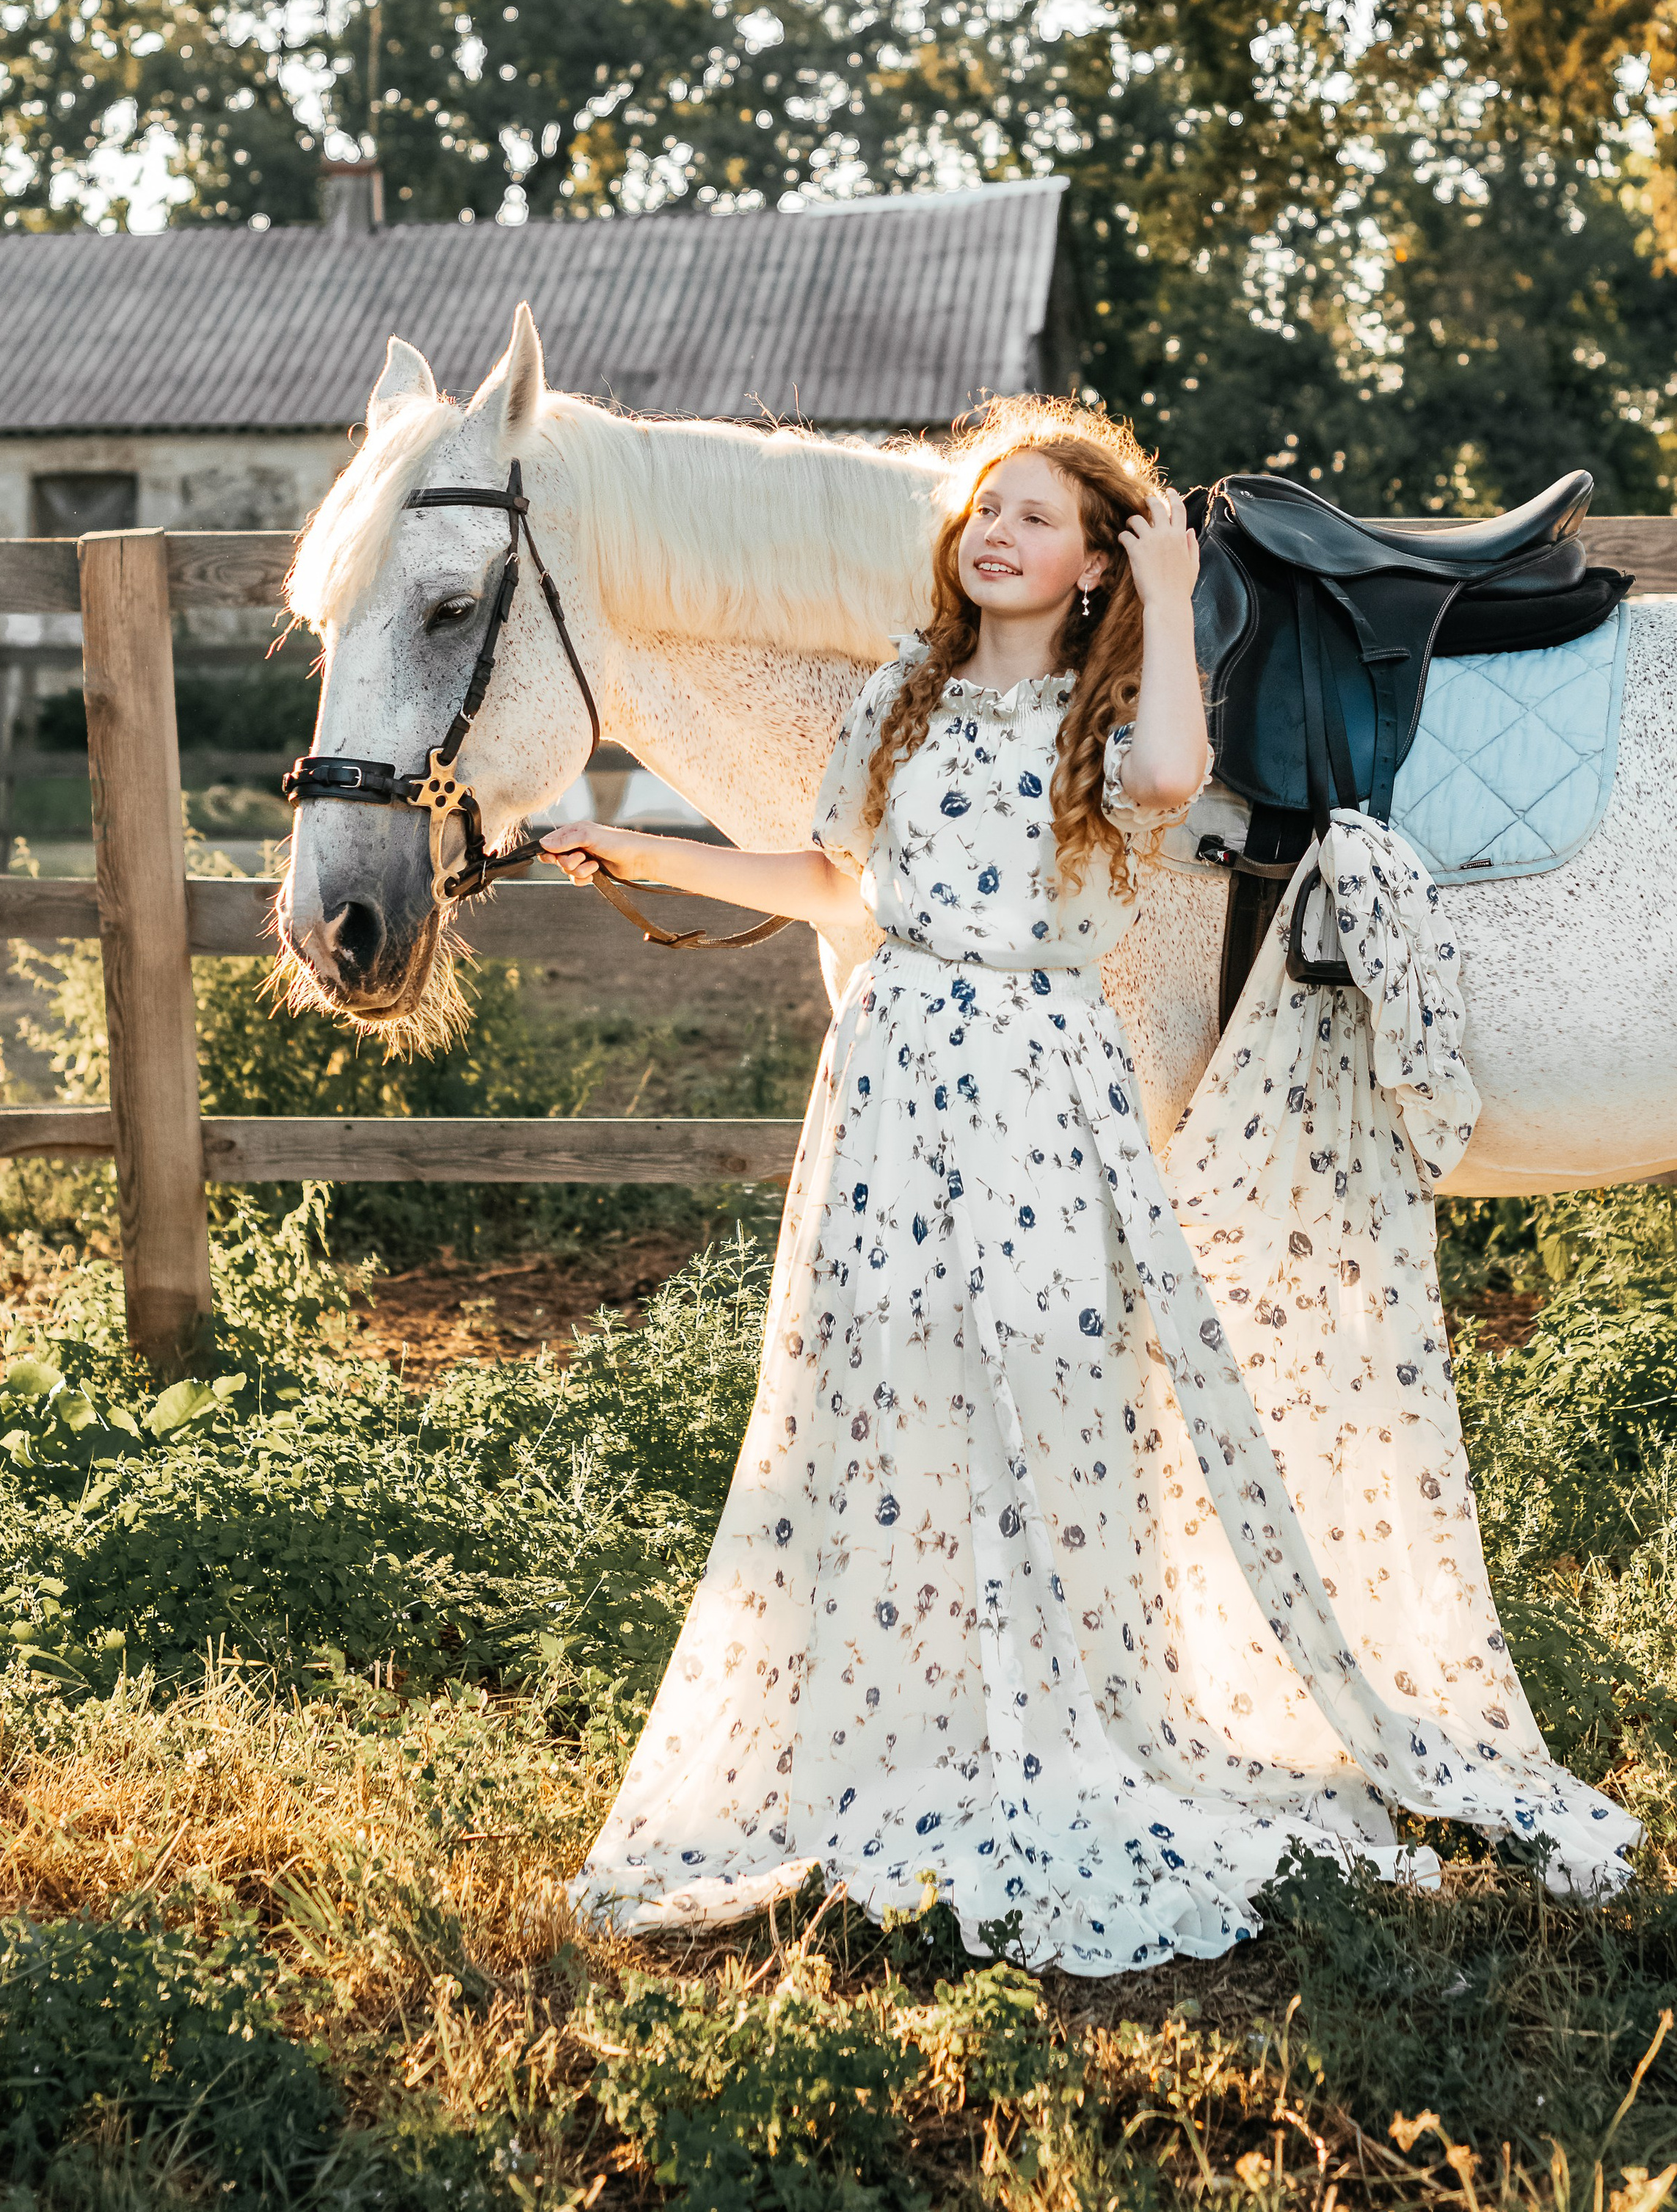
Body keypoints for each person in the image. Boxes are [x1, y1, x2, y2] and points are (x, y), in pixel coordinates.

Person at [541, 397, 1631, 1973]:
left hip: (1038, 1076)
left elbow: (1176, 776)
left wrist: (1174, 597)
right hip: (894, 1072)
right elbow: (827, 877)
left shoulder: (1098, 721)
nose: (997, 534)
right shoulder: (897, 703)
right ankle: (911, 1707)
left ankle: (1063, 1700)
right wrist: (647, 855)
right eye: (986, 509)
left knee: (1051, 1373)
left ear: (1091, 564)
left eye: (1039, 518)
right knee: (887, 1370)